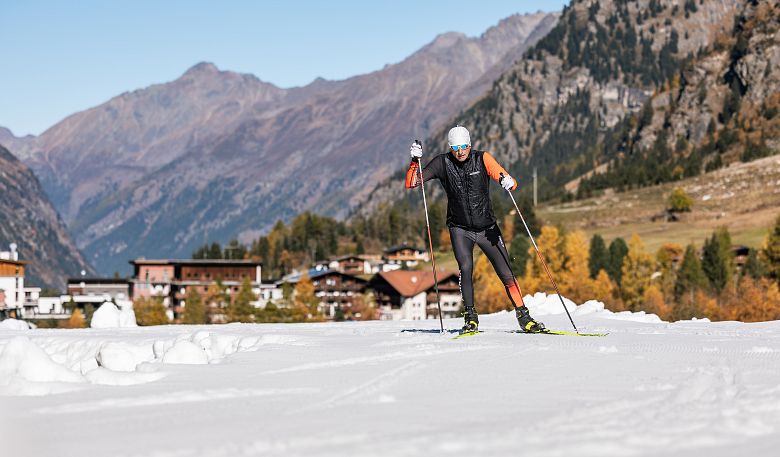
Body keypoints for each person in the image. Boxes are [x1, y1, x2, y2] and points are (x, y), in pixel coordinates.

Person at [405, 125, 544, 333]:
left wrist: (506, 180)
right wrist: (414, 162)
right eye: (455, 147)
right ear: (450, 148)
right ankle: (471, 318)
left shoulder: (482, 159)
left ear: (470, 145)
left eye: (463, 146)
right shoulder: (442, 163)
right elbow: (412, 183)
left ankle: (524, 317)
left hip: (487, 228)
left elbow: (510, 182)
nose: (460, 151)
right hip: (460, 228)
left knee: (506, 273)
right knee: (466, 269)